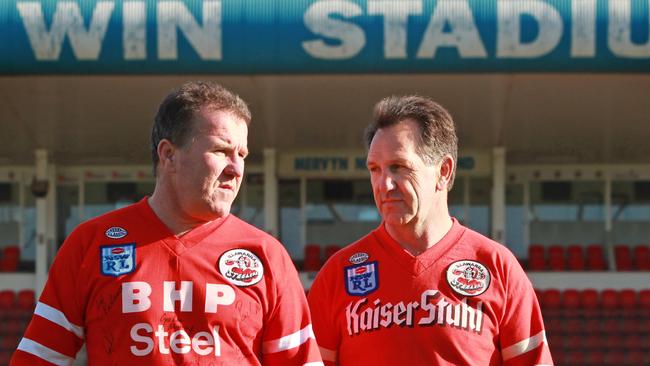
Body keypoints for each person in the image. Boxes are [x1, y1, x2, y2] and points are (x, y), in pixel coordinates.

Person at [12, 81, 323, 365]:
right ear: (169, 154)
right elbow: (39, 359)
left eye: (241, 154)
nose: (236, 169)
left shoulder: (266, 255)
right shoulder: (92, 243)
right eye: (221, 150)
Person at [307, 95, 552, 365]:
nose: (384, 185)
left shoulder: (497, 267)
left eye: (399, 167)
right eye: (375, 170)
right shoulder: (337, 275)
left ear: (443, 171)